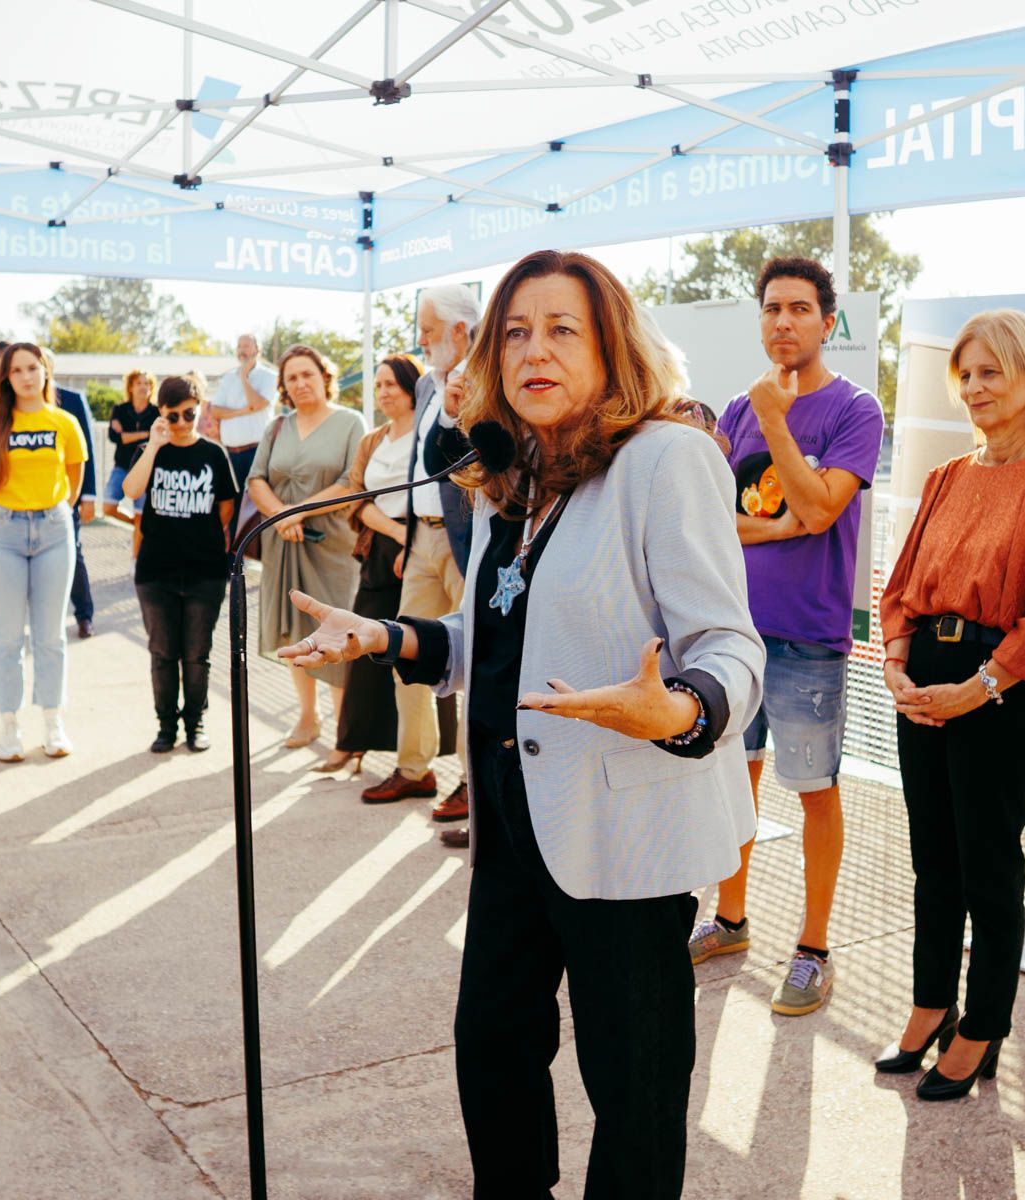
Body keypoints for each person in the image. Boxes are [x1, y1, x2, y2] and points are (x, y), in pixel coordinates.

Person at [279, 249, 762, 1197]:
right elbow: (485, 636)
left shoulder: (667, 460)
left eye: (561, 329)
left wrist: (683, 708)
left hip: (623, 833)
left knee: (635, 1091)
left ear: (611, 346)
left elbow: (732, 645)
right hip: (509, 823)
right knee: (492, 1055)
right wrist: (383, 635)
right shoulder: (515, 474)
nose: (534, 350)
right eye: (515, 332)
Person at [877, 308, 1025, 1101]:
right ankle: (929, 1002)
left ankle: (982, 1027)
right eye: (964, 375)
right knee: (932, 862)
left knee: (987, 869)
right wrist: (897, 668)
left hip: (999, 690)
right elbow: (900, 587)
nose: (972, 388)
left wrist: (978, 687)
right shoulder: (945, 477)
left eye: (989, 373)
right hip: (926, 675)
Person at [687, 256, 886, 1020]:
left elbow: (824, 509)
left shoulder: (853, 411)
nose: (783, 322)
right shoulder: (735, 409)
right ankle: (730, 920)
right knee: (732, 780)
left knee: (814, 792)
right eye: (772, 308)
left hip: (807, 636)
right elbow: (716, 516)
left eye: (800, 309)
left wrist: (777, 422)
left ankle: (812, 948)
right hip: (734, 631)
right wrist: (778, 524)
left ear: (827, 322)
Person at [366, 284, 480, 822]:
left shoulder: (486, 378)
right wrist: (410, 540)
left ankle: (474, 788)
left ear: (461, 330)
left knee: (476, 664)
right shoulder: (432, 385)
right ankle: (415, 769)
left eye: (429, 329)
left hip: (468, 541)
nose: (421, 339)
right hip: (423, 540)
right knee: (406, 656)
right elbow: (421, 468)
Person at [320, 354, 454, 775]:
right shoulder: (373, 440)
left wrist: (412, 539)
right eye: (378, 386)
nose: (383, 393)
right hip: (384, 548)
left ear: (412, 387)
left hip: (426, 545)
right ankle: (353, 744)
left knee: (431, 651)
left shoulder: (429, 434)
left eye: (391, 385)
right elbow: (357, 498)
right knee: (364, 649)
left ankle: (426, 761)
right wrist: (400, 537)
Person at [0, 342, 88, 763]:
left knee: (51, 636)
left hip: (53, 531)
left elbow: (74, 479)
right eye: (17, 370)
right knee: (7, 636)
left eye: (33, 367)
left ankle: (53, 721)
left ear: (45, 371)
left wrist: (54, 515)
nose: (27, 376)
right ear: (7, 378)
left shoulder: (65, 422)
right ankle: (8, 725)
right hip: (3, 535)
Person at [244, 345, 365, 749]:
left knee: (338, 632)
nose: (300, 383)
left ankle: (344, 729)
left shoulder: (350, 422)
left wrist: (298, 512)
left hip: (332, 545)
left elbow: (352, 483)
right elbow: (256, 479)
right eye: (291, 377)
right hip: (282, 543)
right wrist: (282, 516)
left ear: (324, 377)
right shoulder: (277, 426)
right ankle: (307, 717)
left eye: (307, 374)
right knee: (294, 628)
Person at [121, 374, 237, 753]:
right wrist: (154, 445)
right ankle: (166, 726)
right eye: (174, 416)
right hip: (156, 572)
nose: (183, 423)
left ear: (199, 408)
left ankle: (196, 724)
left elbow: (225, 509)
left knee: (197, 655)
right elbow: (132, 490)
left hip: (204, 571)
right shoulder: (154, 450)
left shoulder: (214, 454)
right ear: (161, 416)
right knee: (162, 653)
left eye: (189, 413)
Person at [43, 348, 99, 639]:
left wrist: (88, 495)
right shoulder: (15, 405)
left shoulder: (73, 400)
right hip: (30, 502)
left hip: (68, 496)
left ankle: (84, 615)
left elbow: (86, 450)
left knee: (73, 555)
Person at [212, 333, 279, 540]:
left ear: (257, 350)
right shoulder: (227, 377)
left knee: (254, 505)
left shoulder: (269, 376)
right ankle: (232, 557)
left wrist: (244, 377)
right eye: (239, 346)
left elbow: (258, 404)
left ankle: (253, 552)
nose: (242, 350)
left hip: (256, 451)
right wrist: (243, 411)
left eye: (247, 346)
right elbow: (215, 411)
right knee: (230, 503)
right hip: (230, 453)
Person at [106, 369, 158, 522]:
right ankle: (136, 524)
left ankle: (139, 529)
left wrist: (127, 436)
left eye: (147, 383)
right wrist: (146, 434)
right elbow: (114, 437)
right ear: (130, 387)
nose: (143, 387)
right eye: (139, 383)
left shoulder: (157, 412)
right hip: (121, 466)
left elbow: (157, 438)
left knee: (141, 514)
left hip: (145, 469)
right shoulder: (120, 410)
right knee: (107, 507)